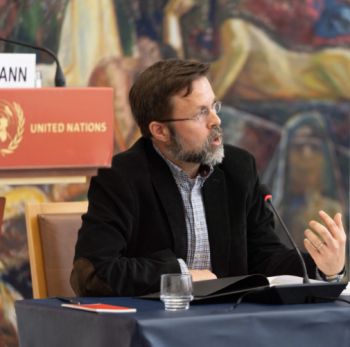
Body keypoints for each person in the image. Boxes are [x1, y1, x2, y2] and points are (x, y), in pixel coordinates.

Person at [71, 59, 346, 297]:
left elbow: (266, 258)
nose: (215, 120)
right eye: (201, 113)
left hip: (228, 325)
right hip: (158, 328)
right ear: (160, 131)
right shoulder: (122, 176)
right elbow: (94, 272)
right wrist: (181, 276)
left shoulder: (239, 168)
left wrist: (322, 267)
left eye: (214, 106)